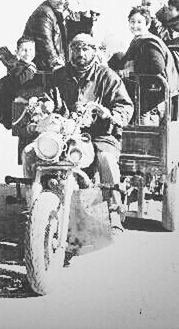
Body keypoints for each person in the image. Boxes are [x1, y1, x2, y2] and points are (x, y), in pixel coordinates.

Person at [22, 33, 133, 233]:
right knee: (31, 152)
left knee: (106, 158)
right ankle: (33, 206)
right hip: (65, 131)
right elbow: (50, 98)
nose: (81, 53)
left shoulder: (107, 76)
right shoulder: (59, 75)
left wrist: (108, 113)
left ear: (94, 51)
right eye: (76, 49)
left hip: (100, 133)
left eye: (86, 49)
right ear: (70, 52)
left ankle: (114, 211)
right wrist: (43, 106)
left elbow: (125, 106)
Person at [110, 6, 179, 121]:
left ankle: (140, 126)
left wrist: (132, 69)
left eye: (139, 22)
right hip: (146, 87)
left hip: (154, 90)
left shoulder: (149, 42)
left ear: (147, 24)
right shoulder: (138, 39)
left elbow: (157, 66)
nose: (135, 25)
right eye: (132, 22)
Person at [23, 0, 70, 71]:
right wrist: (55, 61)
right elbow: (45, 41)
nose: (62, 1)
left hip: (47, 64)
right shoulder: (45, 13)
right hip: (41, 67)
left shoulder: (58, 14)